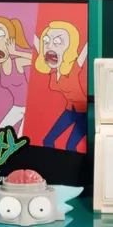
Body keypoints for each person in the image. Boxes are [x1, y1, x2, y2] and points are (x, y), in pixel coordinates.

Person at [34, 21, 87, 150]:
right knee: (48, 140)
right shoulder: (53, 70)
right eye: (46, 41)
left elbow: (85, 49)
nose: (50, 45)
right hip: (70, 110)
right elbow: (39, 45)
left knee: (70, 146)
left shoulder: (74, 68)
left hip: (85, 112)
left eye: (57, 42)